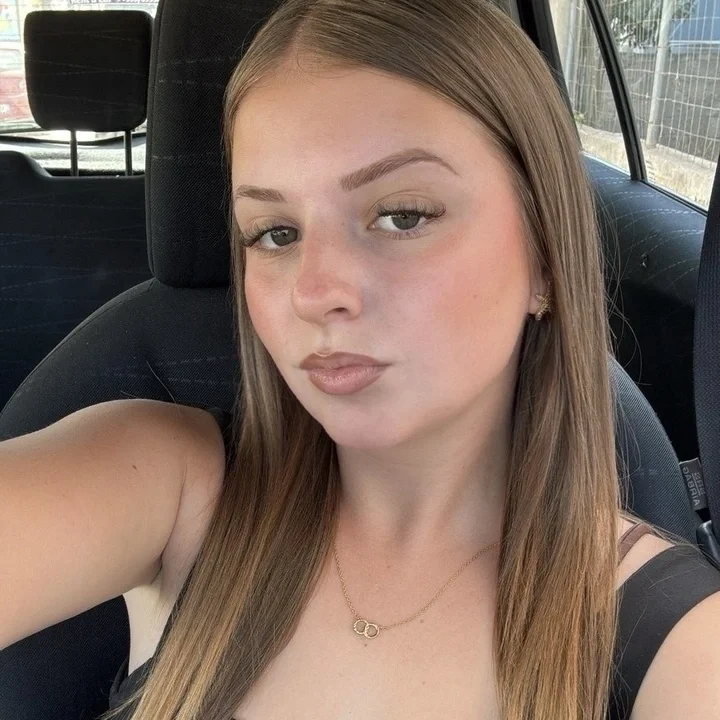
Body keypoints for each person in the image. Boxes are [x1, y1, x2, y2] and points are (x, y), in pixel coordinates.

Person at [2, 0, 719, 718]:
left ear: (546, 259)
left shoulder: (679, 644)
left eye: (402, 216)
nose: (314, 293)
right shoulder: (165, 481)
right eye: (275, 233)